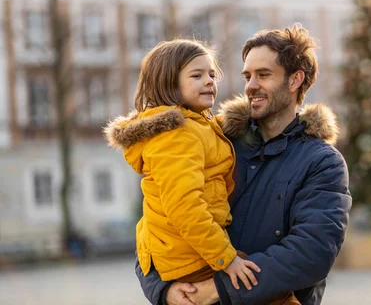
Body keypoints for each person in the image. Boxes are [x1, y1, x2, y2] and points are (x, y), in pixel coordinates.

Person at [136, 24, 352, 305]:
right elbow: (156, 224)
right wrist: (165, 292)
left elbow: (312, 252)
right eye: (247, 76)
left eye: (263, 75)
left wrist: (219, 288)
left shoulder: (322, 162)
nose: (251, 86)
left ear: (295, 80)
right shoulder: (215, 144)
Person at [105, 39, 298, 304]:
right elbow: (185, 207)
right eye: (197, 75)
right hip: (191, 256)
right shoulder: (176, 136)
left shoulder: (198, 125)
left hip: (191, 250)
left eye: (211, 74)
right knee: (268, 291)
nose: (209, 81)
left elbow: (216, 133)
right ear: (169, 84)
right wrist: (226, 259)